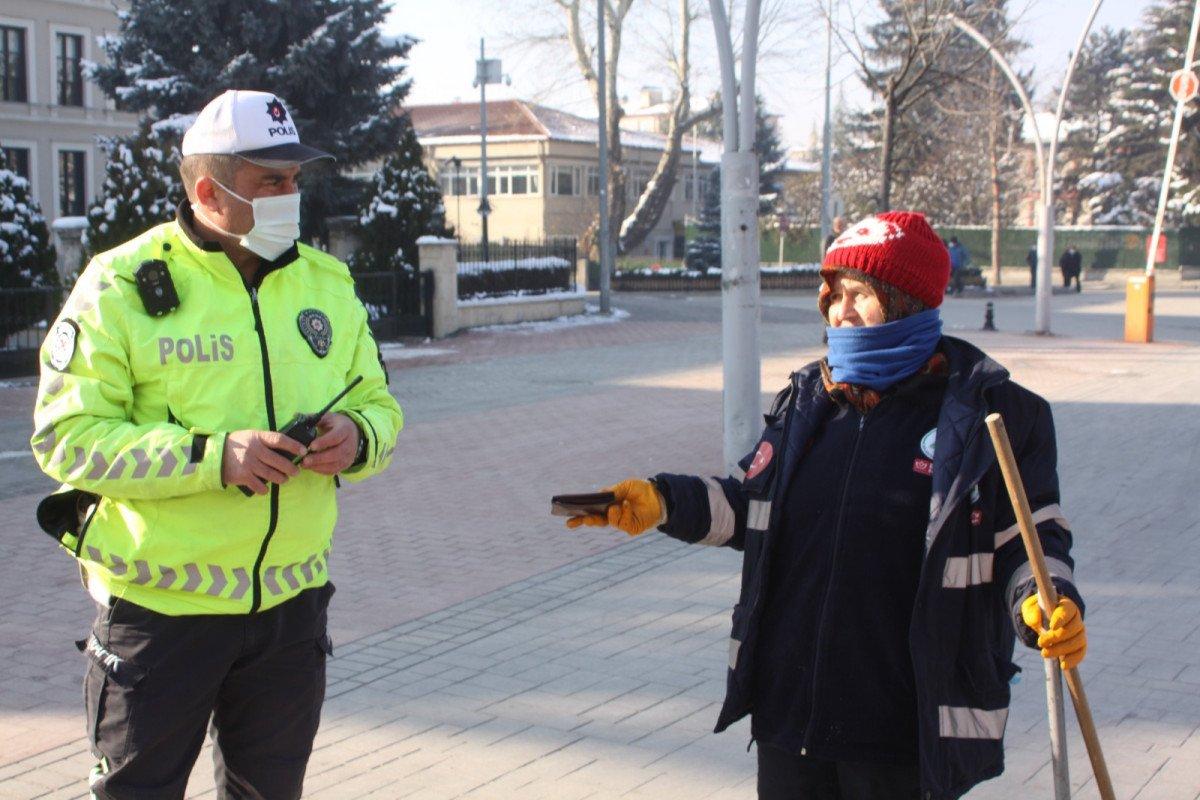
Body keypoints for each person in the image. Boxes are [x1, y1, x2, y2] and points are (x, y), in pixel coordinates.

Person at [567, 211, 1087, 800]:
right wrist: (663, 502)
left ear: (908, 298)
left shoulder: (993, 413)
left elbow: (1032, 534)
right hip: (793, 717)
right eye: (834, 293)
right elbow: (749, 506)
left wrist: (1047, 602)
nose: (840, 310)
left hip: (904, 730)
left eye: (860, 294)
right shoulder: (809, 399)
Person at [30, 90, 403, 799]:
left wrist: (357, 438)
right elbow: (65, 437)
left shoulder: (325, 283)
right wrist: (211, 458)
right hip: (162, 615)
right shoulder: (119, 286)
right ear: (208, 189)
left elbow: (379, 404)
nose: (291, 196)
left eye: (295, 180)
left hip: (292, 610)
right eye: (271, 181)